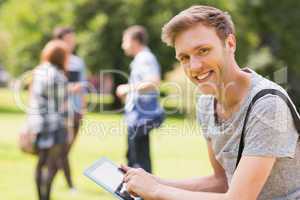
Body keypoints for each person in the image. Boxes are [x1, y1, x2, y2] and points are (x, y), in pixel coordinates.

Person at [120, 5, 300, 200]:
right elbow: (221, 182)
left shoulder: (267, 105)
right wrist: (153, 182)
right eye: (184, 58)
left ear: (230, 43)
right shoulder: (207, 104)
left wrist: (155, 191)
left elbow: (238, 198)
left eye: (203, 50)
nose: (194, 66)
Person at [116, 25, 165, 173]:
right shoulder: (141, 58)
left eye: (125, 41)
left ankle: (143, 193)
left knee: (138, 160)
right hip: (137, 116)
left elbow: (154, 82)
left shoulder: (144, 58)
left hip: (141, 117)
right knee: (134, 156)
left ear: (135, 41)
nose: (123, 45)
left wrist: (127, 88)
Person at [28, 40, 70, 200]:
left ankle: (41, 197)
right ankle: (47, 196)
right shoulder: (58, 76)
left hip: (38, 123)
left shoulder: (39, 71)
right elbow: (61, 106)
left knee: (41, 162)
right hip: (54, 125)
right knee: (52, 164)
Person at [53, 27, 87, 190]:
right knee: (62, 148)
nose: (71, 43)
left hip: (75, 111)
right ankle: (69, 184)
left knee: (65, 149)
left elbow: (83, 87)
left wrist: (83, 108)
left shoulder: (77, 62)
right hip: (58, 113)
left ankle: (51, 174)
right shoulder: (52, 63)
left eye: (72, 40)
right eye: (68, 40)